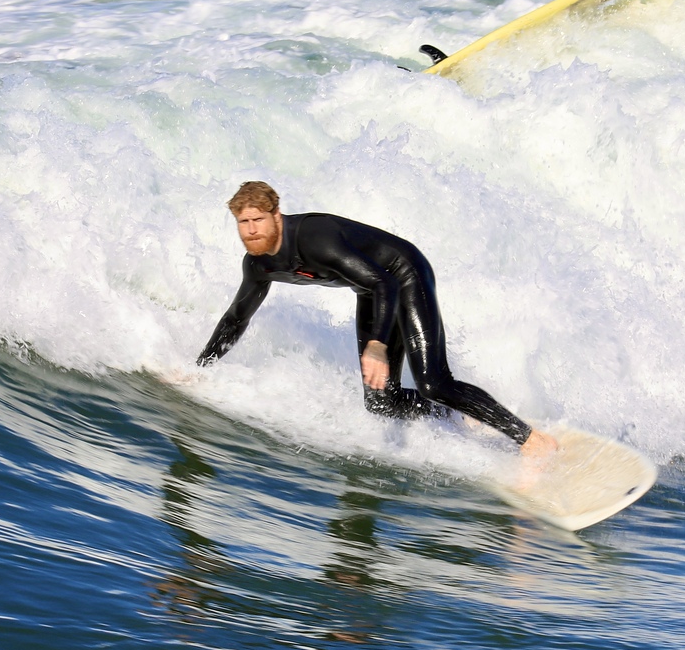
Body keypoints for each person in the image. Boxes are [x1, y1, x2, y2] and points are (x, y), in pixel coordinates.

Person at [197, 181, 557, 456]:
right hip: (372, 290)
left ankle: (531, 440)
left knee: (434, 381)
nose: (251, 230)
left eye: (258, 220)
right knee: (381, 402)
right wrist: (201, 368)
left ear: (276, 215)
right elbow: (236, 318)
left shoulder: (315, 240)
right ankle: (461, 416)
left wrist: (377, 345)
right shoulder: (259, 264)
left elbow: (385, 281)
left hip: (403, 274)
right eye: (243, 222)